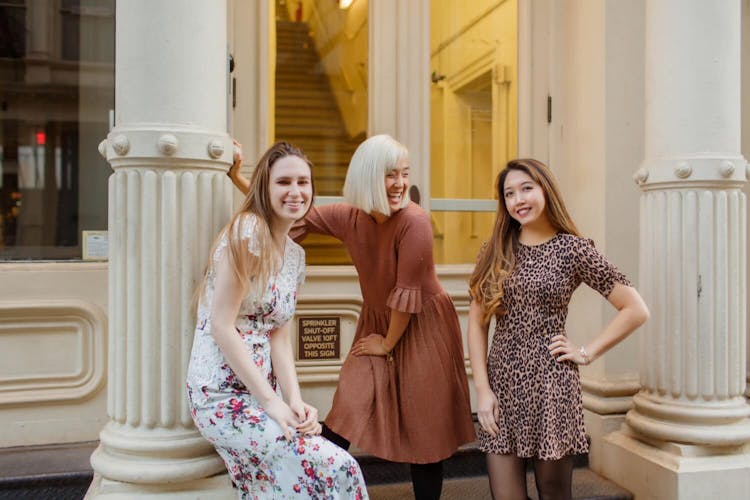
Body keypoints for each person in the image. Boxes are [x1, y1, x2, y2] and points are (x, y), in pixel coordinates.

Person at [230, 134, 476, 500]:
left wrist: (387, 344)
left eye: (404, 174)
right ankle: (316, 489)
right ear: (367, 176)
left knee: (425, 429)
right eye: (390, 174)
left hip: (422, 326)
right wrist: (236, 177)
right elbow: (287, 209)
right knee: (347, 408)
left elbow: (406, 298)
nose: (400, 183)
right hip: (380, 322)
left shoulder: (415, 222)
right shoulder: (350, 216)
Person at [187, 141, 368, 500]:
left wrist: (294, 401)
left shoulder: (296, 256)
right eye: (284, 182)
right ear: (265, 188)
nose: (296, 191)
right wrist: (272, 403)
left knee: (302, 476)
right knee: (335, 465)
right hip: (222, 394)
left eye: (304, 182)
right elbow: (222, 326)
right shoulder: (249, 232)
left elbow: (280, 337)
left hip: (264, 393)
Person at [467, 158, 649, 500]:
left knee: (553, 492)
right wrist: (482, 389)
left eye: (526, 189)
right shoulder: (493, 250)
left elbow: (635, 309)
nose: (518, 199)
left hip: (552, 385)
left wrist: (586, 351)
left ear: (545, 190)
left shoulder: (574, 249)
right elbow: (477, 323)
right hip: (502, 384)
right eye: (509, 193)